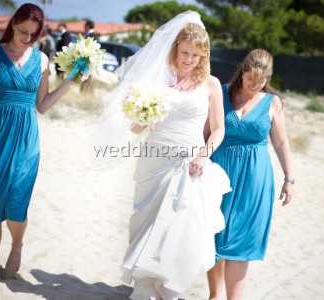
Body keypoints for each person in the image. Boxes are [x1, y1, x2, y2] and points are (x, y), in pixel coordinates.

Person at [85, 11, 230, 300]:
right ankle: (146, 288)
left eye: (195, 55)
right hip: (154, 163)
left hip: (189, 166)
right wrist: (142, 117)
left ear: (203, 56)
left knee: (178, 231)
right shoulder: (156, 82)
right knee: (148, 225)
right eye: (184, 52)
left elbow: (218, 131)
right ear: (175, 47)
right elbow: (138, 128)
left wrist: (203, 156)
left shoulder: (211, 85)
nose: (188, 59)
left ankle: (170, 290)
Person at [0, 3, 76, 289]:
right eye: (23, 31)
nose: (26, 38)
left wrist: (69, 83)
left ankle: (17, 243)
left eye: (33, 34)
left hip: (27, 142)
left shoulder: (41, 62)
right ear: (13, 23)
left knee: (16, 205)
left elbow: (42, 106)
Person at [207, 49, 295, 299]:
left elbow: (281, 143)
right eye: (249, 80)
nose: (254, 86)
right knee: (214, 234)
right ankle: (214, 295)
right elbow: (205, 132)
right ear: (242, 71)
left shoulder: (273, 103)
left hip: (254, 179)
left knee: (241, 240)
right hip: (218, 173)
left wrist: (289, 178)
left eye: (260, 82)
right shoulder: (220, 92)